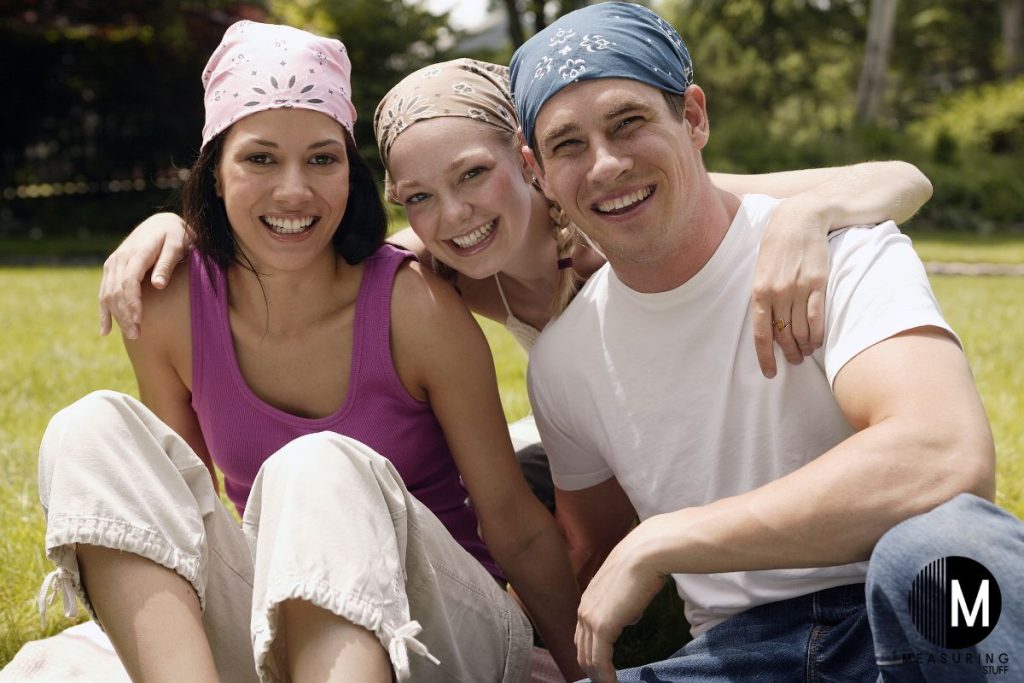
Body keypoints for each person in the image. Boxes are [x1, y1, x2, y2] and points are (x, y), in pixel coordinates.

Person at [99, 60, 932, 512]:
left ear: (530, 164)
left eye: (473, 176)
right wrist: (175, 225)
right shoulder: (438, 265)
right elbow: (315, 250)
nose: (452, 216)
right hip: (591, 449)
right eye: (419, 197)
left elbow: (902, 177)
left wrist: (805, 213)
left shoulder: (625, 212)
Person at [37, 21, 584, 683]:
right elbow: (178, 516)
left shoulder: (416, 306)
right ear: (215, 173)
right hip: (280, 620)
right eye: (260, 158)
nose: (294, 189)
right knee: (88, 428)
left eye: (322, 158)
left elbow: (513, 524)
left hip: (438, 632)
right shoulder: (167, 302)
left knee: (315, 462)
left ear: (350, 175)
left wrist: (588, 672)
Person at [510, 3, 1023, 681]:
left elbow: (943, 454)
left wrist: (667, 537)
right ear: (536, 170)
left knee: (951, 548)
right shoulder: (565, 359)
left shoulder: (836, 245)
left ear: (693, 117)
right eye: (568, 144)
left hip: (900, 607)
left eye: (628, 122)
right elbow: (589, 546)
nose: (605, 164)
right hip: (736, 653)